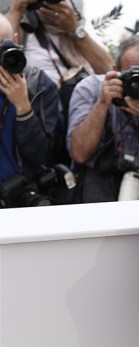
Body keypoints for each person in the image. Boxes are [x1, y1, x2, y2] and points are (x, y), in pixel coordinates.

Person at [67, 35, 139, 203]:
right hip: (97, 178)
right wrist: (102, 104)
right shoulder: (91, 89)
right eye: (133, 74)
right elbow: (79, 154)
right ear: (116, 71)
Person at [0, 12, 61, 207]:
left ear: (15, 41)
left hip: (19, 194)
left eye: (1, 45)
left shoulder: (39, 85)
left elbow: (40, 158)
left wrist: (23, 107)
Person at [4, 0, 113, 87]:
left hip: (81, 100)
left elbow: (108, 70)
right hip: (38, 101)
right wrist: (16, 12)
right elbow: (3, 62)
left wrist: (74, 29)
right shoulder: (19, 21)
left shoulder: (77, 20)